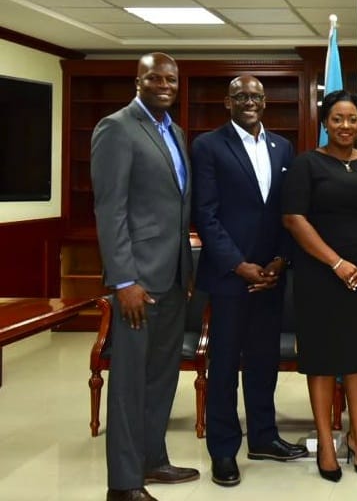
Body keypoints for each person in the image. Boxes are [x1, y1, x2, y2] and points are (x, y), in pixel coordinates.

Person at [91, 52, 198, 501]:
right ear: (138, 81)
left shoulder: (173, 131)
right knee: (130, 383)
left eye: (171, 78)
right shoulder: (116, 128)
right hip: (137, 282)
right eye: (154, 77)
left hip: (173, 278)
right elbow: (110, 209)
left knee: (161, 377)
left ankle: (153, 460)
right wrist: (123, 281)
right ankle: (124, 483)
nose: (164, 84)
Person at [191, 75, 306, 487]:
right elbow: (205, 214)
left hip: (270, 276)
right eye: (240, 96)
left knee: (263, 362)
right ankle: (224, 449)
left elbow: (285, 210)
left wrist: (279, 260)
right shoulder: (207, 146)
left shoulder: (282, 147)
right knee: (223, 365)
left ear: (265, 101)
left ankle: (263, 437)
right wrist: (239, 265)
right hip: (229, 277)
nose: (248, 101)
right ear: (227, 102)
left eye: (255, 96)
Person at [281, 89, 357, 482]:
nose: (345, 126)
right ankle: (327, 445)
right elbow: (295, 219)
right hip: (320, 276)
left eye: (352, 118)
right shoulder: (307, 165)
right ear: (324, 122)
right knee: (321, 360)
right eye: (337, 119)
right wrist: (336, 263)